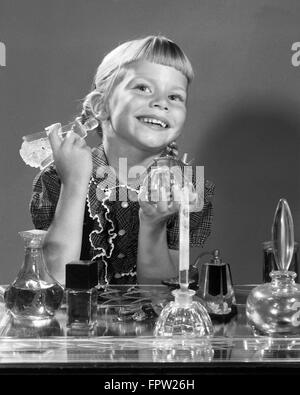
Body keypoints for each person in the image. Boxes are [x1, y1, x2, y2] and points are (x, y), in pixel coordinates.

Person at [30, 35, 215, 286]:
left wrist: (153, 224)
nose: (161, 103)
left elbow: (162, 296)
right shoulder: (57, 177)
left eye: (175, 97)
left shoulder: (187, 186)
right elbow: (54, 280)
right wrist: (74, 183)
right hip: (78, 321)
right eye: (142, 88)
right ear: (101, 105)